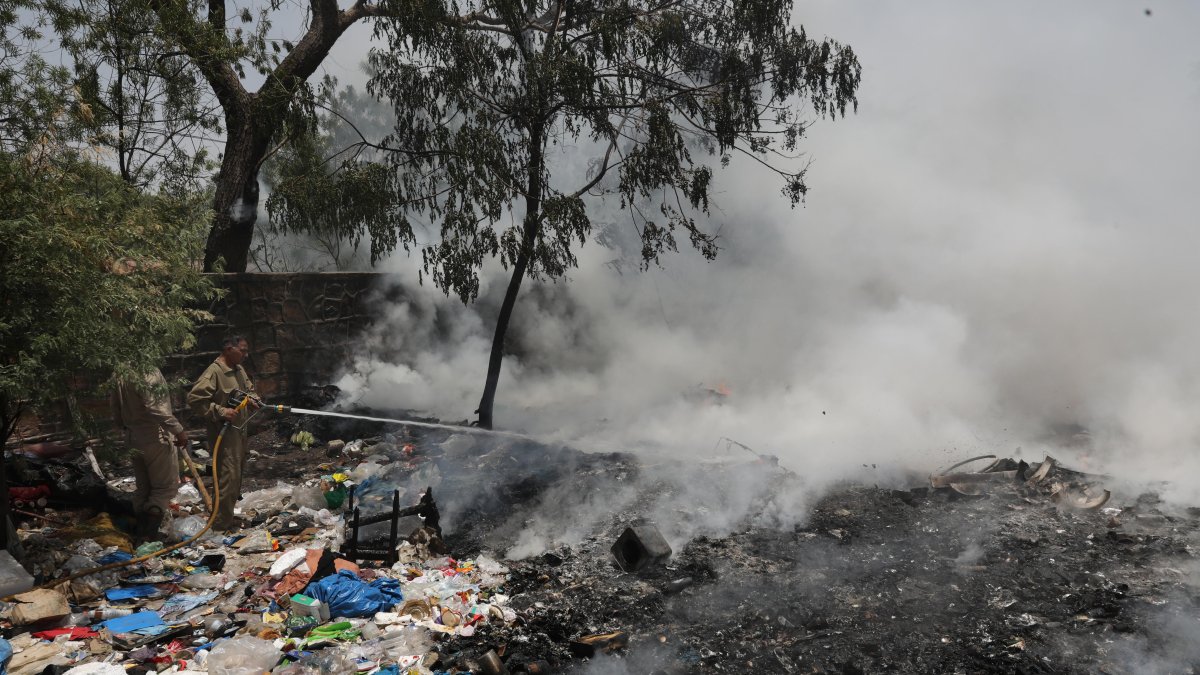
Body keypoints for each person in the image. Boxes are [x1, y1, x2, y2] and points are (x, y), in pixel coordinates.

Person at [187, 335, 259, 531]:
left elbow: (248, 389)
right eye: (242, 350)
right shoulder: (214, 372)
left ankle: (226, 518)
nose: (245, 355)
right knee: (227, 479)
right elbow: (195, 399)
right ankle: (219, 525)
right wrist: (221, 411)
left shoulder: (238, 369)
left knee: (236, 478)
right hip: (224, 436)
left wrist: (253, 399)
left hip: (239, 434)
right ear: (228, 349)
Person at [111, 367, 188, 541]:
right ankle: (148, 536)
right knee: (163, 488)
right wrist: (178, 430)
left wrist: (127, 428)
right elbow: (155, 406)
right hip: (154, 436)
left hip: (133, 436)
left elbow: (115, 407)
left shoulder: (120, 372)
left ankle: (139, 533)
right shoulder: (145, 369)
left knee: (144, 488)